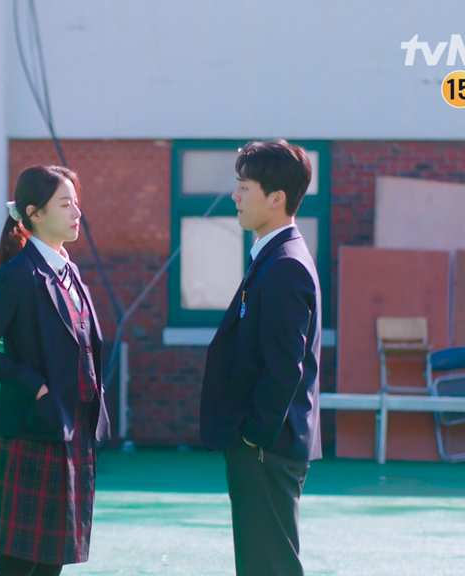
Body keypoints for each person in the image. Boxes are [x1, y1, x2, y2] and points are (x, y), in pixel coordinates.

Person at [0, 165, 110, 576]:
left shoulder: (70, 271)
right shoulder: (20, 273)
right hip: (36, 427)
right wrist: (34, 386)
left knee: (52, 559)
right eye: (65, 204)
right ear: (35, 213)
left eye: (76, 203)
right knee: (19, 560)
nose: (77, 212)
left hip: (73, 428)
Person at [199, 139, 322, 576]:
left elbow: (285, 365)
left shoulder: (284, 264)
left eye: (244, 186)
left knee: (268, 566)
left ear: (276, 198)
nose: (235, 195)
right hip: (265, 447)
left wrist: (255, 435)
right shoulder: (273, 257)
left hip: (266, 448)